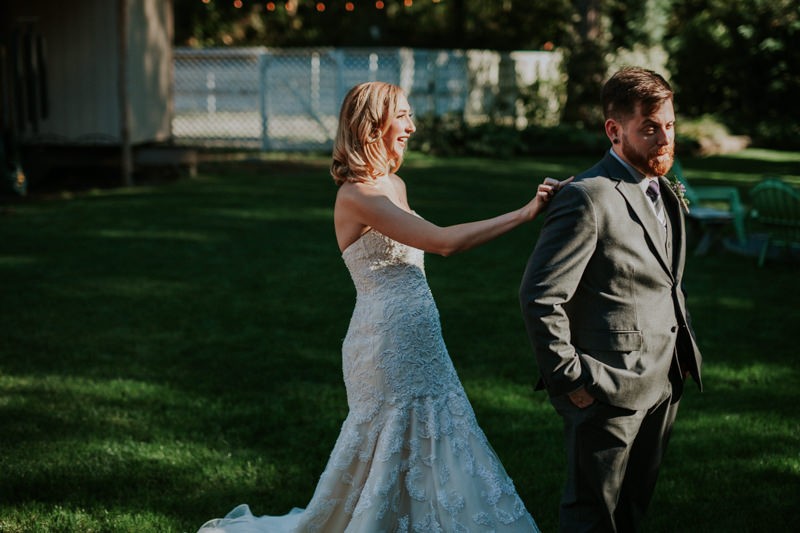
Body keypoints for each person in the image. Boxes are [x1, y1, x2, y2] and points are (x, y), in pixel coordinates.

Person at [197, 81, 569, 533]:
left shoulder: (394, 184)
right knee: (392, 440)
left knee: (440, 436)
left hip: (422, 339)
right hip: (385, 344)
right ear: (373, 126)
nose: (412, 127)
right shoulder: (357, 196)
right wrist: (525, 213)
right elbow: (443, 243)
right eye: (404, 116)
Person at [518, 66, 703, 533]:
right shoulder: (586, 197)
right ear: (614, 130)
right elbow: (540, 296)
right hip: (605, 386)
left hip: (664, 379)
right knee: (591, 516)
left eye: (670, 125)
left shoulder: (664, 190)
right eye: (650, 128)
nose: (665, 138)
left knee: (633, 510)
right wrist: (571, 380)